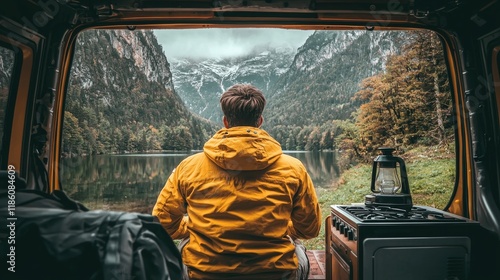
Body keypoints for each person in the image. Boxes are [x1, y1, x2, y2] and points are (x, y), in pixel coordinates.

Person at [152, 83, 321, 280]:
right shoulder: (293, 168)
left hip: (204, 275)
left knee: (184, 248)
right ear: (259, 121)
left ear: (225, 121)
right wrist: (280, 228)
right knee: (300, 249)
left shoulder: (188, 167)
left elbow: (162, 224)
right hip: (275, 274)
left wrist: (195, 227)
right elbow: (309, 228)